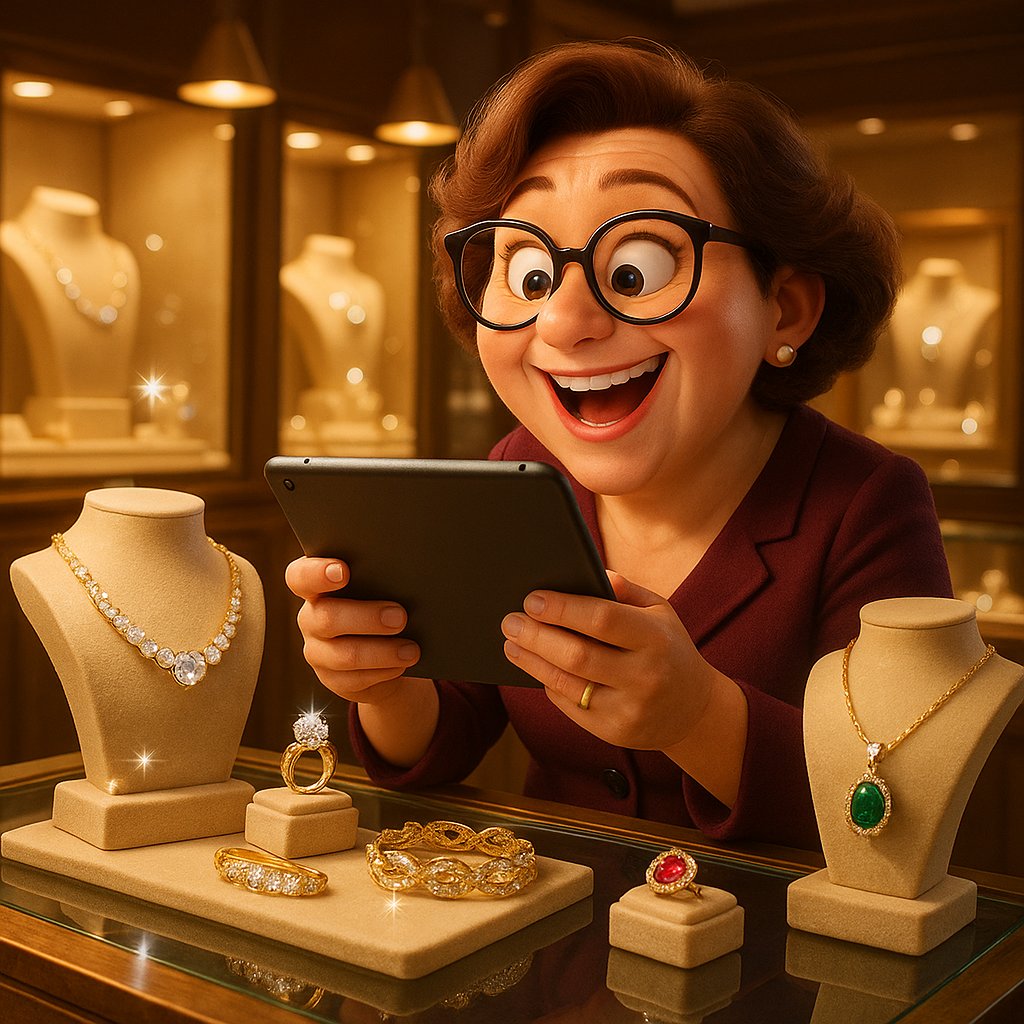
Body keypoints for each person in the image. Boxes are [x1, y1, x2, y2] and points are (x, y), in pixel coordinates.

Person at [285, 38, 952, 850]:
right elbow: (443, 736)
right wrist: (383, 682)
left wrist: (699, 716)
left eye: (634, 268)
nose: (563, 322)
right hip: (552, 952)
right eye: (529, 274)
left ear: (786, 310)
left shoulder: (866, 503)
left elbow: (903, 807)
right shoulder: (516, 473)